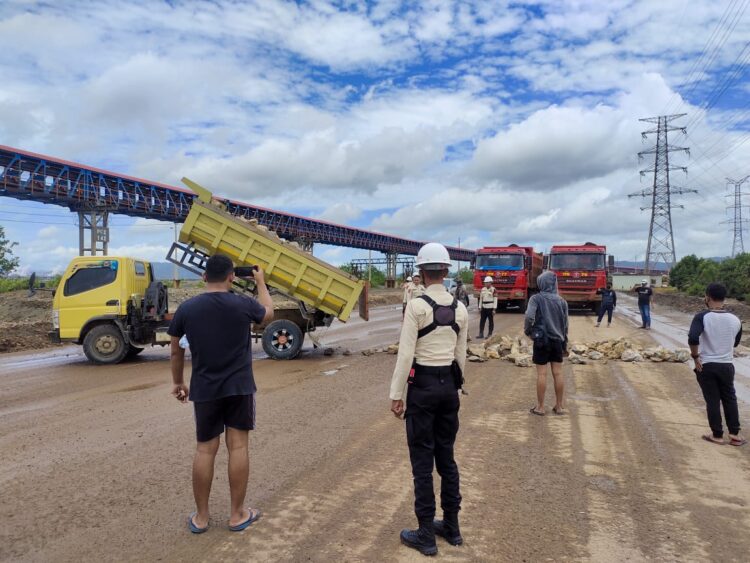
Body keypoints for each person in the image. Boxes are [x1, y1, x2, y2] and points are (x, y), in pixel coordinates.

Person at [168, 254, 274, 533]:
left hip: (204, 389)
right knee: (238, 447)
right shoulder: (243, 304)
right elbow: (268, 314)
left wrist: (178, 382)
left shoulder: (187, 309)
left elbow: (176, 349)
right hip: (239, 388)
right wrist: (261, 283)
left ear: (203, 277)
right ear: (232, 277)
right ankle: (237, 514)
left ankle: (201, 518)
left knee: (205, 449)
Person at [389, 242, 469, 556]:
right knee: (446, 458)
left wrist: (397, 395)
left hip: (422, 387)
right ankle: (452, 525)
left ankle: (425, 532)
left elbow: (406, 354)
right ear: (446, 271)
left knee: (422, 462)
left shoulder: (417, 306)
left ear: (421, 273)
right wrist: (458, 388)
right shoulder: (461, 309)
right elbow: (460, 355)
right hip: (449, 387)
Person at [688, 282, 746, 446]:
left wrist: (695, 356)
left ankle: (717, 435)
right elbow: (734, 344)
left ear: (707, 297)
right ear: (724, 298)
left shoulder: (702, 317)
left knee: (713, 400)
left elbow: (693, 338)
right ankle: (735, 434)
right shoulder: (735, 319)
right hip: (727, 366)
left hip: (706, 365)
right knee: (730, 398)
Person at [524, 271, 569, 416]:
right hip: (557, 341)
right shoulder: (562, 301)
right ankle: (559, 406)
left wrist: (528, 331)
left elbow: (529, 317)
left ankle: (541, 407)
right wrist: (564, 343)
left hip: (541, 340)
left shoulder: (536, 299)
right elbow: (565, 324)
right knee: (558, 373)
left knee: (542, 374)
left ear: (541, 283)